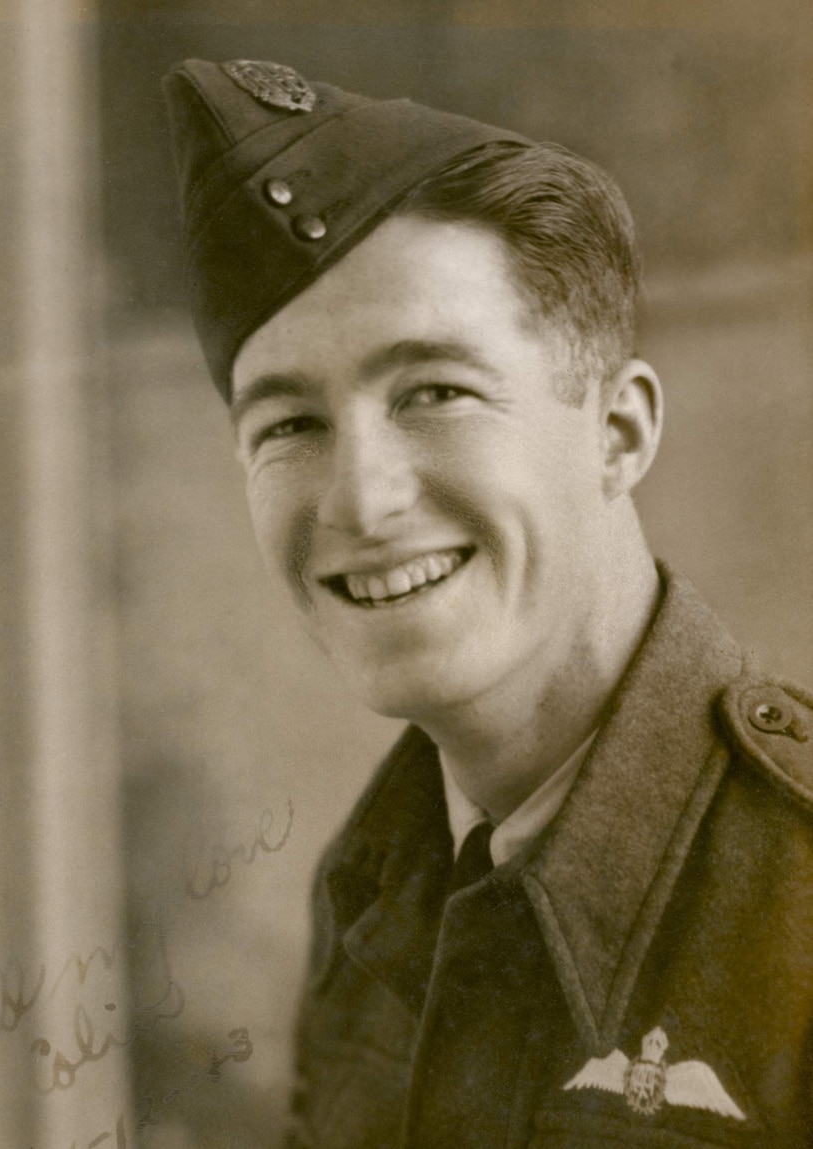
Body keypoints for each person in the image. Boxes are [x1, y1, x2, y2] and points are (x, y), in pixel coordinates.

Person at [163, 57, 813, 1148]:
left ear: (618, 433)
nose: (360, 502)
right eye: (287, 425)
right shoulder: (373, 885)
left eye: (435, 393)